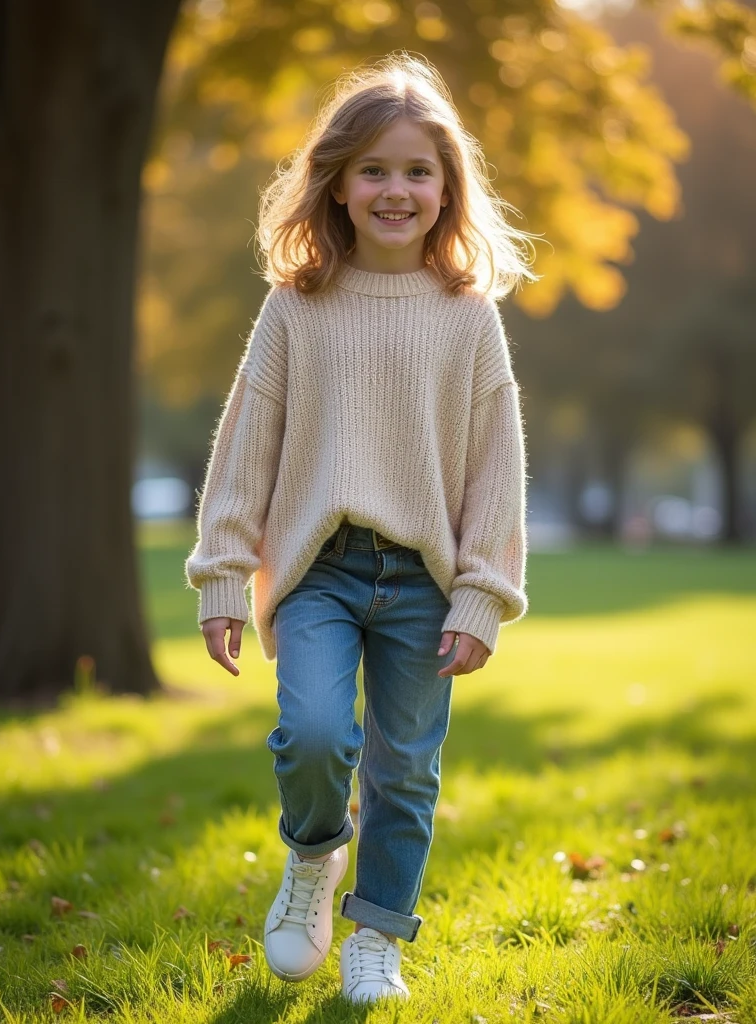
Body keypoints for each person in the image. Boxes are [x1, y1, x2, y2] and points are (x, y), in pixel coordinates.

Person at [185, 51, 538, 1004]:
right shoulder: (295, 308)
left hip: (425, 580)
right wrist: (223, 571)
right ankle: (311, 859)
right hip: (319, 570)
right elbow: (247, 445)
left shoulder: (468, 318)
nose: (396, 189)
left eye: (419, 170)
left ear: (447, 187)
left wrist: (481, 594)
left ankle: (377, 937)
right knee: (310, 735)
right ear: (336, 185)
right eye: (374, 169)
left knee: (406, 774)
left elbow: (495, 469)